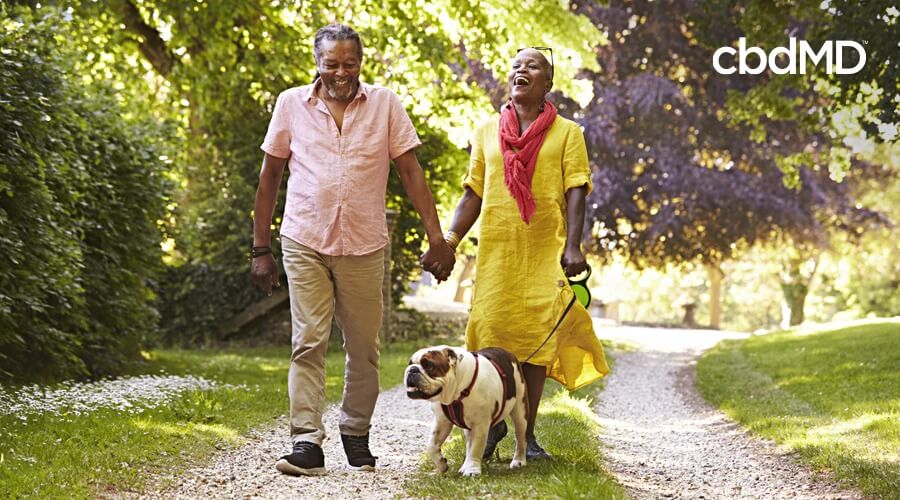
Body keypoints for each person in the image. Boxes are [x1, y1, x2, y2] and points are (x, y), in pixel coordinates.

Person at [250, 23, 455, 477]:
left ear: (361, 63)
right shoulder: (290, 104)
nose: (341, 72)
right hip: (304, 238)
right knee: (308, 342)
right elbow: (269, 179)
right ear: (317, 64)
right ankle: (306, 441)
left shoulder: (385, 104)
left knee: (363, 347)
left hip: (364, 244)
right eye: (332, 64)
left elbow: (410, 171)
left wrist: (436, 237)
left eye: (350, 63)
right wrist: (260, 248)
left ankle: (355, 432)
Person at [443, 47, 609, 460]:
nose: (522, 70)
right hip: (497, 251)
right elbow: (473, 192)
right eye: (517, 65)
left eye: (532, 66)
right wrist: (449, 241)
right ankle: (491, 424)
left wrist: (573, 245)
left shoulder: (568, 133)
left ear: (547, 83)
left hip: (542, 249)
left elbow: (576, 190)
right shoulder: (485, 131)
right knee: (490, 333)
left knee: (536, 342)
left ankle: (527, 436)